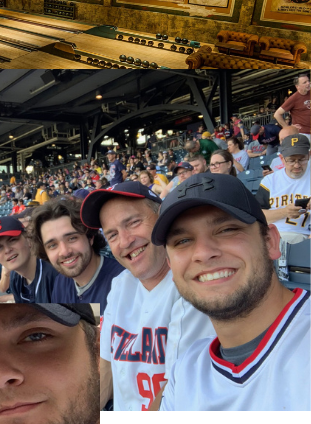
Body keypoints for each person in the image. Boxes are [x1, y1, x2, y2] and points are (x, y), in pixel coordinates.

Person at [150, 173, 311, 410]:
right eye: (183, 241)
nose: (203, 253)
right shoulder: (186, 368)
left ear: (270, 242)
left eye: (227, 229)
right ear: (171, 266)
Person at [80, 181, 215, 411]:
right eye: (112, 234)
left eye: (133, 223)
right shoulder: (121, 285)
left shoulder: (193, 282)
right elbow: (107, 367)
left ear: (162, 219)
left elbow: (175, 390)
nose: (124, 241)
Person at [32, 197, 125, 313]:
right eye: (52, 245)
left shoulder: (124, 283)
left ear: (90, 237)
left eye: (72, 238)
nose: (65, 252)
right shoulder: (60, 282)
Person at [0, 216, 56, 304]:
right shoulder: (15, 277)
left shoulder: (55, 277)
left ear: (29, 240)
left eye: (12, 240)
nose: (7, 250)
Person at [256, 133, 311, 243]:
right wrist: (285, 212)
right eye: (291, 160)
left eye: (301, 159)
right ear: (282, 159)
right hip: (271, 237)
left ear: (309, 155)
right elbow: (257, 216)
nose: (297, 165)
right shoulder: (270, 180)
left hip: (303, 238)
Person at [274, 72, 310, 142]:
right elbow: (277, 114)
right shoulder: (293, 98)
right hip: (303, 133)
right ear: (297, 86)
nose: (308, 83)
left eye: (308, 81)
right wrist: (287, 127)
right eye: (304, 82)